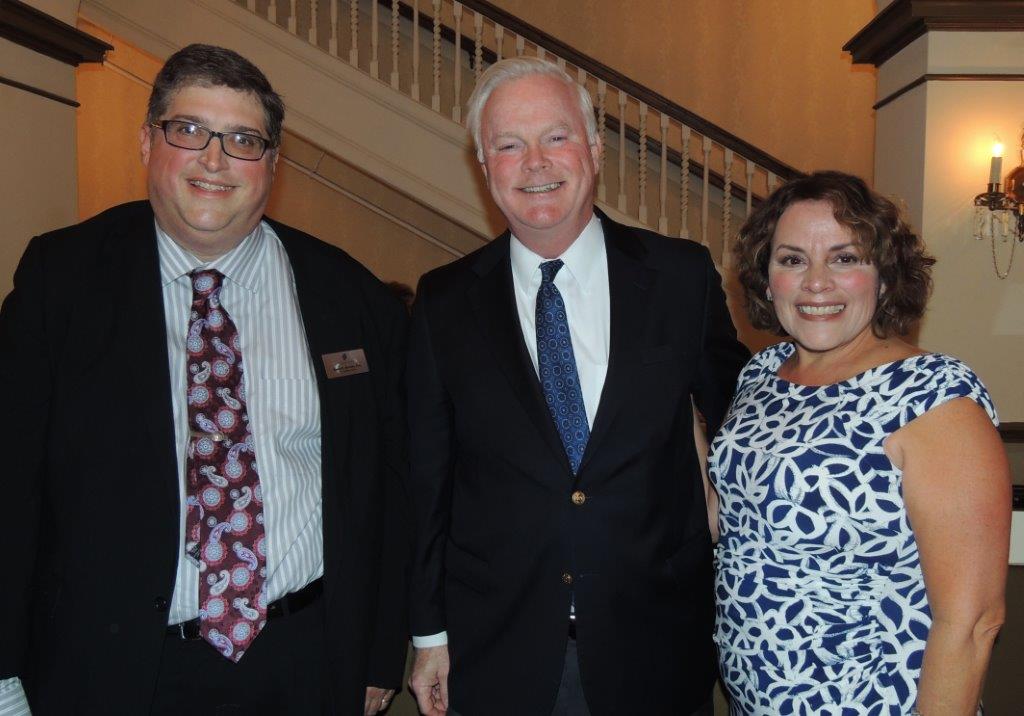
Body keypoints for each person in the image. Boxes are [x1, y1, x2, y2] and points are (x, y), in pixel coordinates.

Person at [0, 44, 408, 716]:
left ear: (273, 165)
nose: (214, 160)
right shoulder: (61, 283)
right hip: (115, 670)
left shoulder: (350, 295)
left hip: (305, 662)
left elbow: (388, 487)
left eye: (243, 140)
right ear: (146, 142)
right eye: (188, 131)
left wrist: (375, 651)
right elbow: (10, 485)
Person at [406, 57, 749, 716]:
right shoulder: (444, 302)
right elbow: (428, 480)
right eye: (508, 144)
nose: (534, 162)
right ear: (485, 169)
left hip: (657, 645)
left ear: (593, 152)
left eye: (555, 137)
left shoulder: (681, 278)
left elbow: (743, 423)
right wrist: (428, 634)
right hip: (499, 651)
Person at [711, 171, 1010, 715]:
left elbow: (972, 622)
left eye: (846, 258)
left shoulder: (934, 396)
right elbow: (733, 519)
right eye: (792, 259)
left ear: (886, 275)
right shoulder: (761, 373)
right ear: (765, 275)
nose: (816, 282)